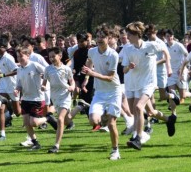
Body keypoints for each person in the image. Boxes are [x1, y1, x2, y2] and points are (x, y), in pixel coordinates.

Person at [122, 22, 176, 151]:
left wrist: (168, 67)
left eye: (129, 34)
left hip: (148, 84)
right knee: (144, 111)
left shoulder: (150, 46)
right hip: (133, 84)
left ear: (137, 34)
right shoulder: (127, 49)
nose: (127, 36)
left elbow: (165, 51)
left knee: (138, 107)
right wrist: (128, 67)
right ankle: (168, 120)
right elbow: (123, 70)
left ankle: (138, 138)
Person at [81, 25, 124, 160]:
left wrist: (92, 73)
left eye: (102, 37)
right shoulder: (92, 51)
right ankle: (104, 115)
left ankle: (115, 151)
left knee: (111, 124)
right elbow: (89, 61)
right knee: (93, 120)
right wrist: (86, 78)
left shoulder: (113, 55)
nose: (99, 39)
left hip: (113, 91)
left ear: (109, 38)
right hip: (99, 92)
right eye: (98, 36)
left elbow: (110, 77)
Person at [43, 46, 76, 154]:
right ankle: (80, 107)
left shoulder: (66, 69)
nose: (51, 58)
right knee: (67, 120)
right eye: (50, 57)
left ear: (60, 56)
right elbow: (44, 84)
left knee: (60, 119)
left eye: (53, 56)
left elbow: (72, 82)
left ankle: (56, 145)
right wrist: (43, 87)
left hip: (65, 96)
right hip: (55, 97)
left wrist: (72, 87)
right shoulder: (48, 69)